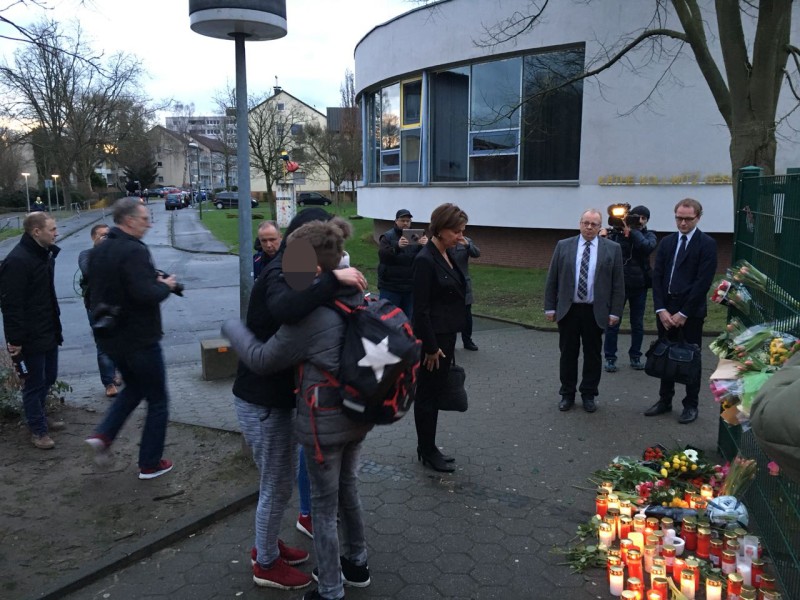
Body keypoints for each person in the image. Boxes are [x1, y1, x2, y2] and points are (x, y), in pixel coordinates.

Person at [224, 218, 373, 600]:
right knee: (338, 488)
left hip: (322, 422)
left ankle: (327, 588)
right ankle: (355, 563)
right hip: (355, 412)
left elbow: (261, 357)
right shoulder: (355, 293)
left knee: (315, 504)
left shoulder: (310, 310)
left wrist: (231, 329)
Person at [84, 197, 180, 479]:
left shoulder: (100, 250)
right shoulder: (133, 250)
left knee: (135, 388)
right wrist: (165, 286)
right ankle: (150, 464)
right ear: (128, 220)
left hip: (111, 337)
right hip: (139, 338)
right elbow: (144, 294)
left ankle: (102, 435)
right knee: (158, 400)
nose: (149, 224)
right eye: (144, 218)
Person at [544, 209, 625, 413]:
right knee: (568, 354)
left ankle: (589, 394)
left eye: (594, 224)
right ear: (580, 223)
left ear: (600, 227)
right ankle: (567, 394)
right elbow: (552, 278)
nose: (589, 227)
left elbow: (618, 283)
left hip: (595, 311)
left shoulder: (612, 249)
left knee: (593, 355)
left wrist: (615, 312)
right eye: (586, 223)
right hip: (569, 310)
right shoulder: (564, 246)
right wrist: (550, 307)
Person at [646, 198, 717, 424]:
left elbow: (702, 282)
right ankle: (665, 400)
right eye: (679, 218)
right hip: (666, 309)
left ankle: (691, 404)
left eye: (688, 219)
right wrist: (661, 309)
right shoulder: (666, 243)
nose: (683, 223)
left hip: (690, 312)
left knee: (691, 358)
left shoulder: (707, 244)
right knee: (665, 355)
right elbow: (657, 277)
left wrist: (684, 313)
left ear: (698, 217)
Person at [413, 203, 469, 472]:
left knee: (434, 393)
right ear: (440, 229)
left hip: (446, 336)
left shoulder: (447, 253)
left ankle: (429, 446)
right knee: (427, 395)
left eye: (462, 231)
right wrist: (431, 347)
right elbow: (420, 310)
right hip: (433, 341)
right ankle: (427, 450)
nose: (461, 236)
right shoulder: (425, 260)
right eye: (457, 231)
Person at [0, 212, 63, 449]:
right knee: (34, 383)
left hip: (48, 330)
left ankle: (39, 417)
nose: (56, 233)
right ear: (36, 231)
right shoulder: (18, 261)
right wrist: (15, 342)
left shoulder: (43, 256)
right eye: (52, 229)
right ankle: (38, 430)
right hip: (29, 337)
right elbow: (11, 306)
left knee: (49, 377)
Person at [601, 205, 657, 372]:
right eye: (636, 217)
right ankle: (610, 357)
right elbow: (606, 252)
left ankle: (636, 356)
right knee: (613, 323)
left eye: (642, 218)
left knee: (637, 323)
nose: (639, 220)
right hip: (619, 286)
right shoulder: (618, 234)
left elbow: (647, 247)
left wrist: (633, 232)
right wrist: (608, 236)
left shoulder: (649, 235)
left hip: (639, 285)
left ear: (646, 220)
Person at [78, 223, 120, 398]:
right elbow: (88, 271)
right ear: (93, 237)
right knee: (103, 345)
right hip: (96, 307)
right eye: (102, 235)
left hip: (117, 306)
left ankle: (115, 372)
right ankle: (108, 382)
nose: (106, 238)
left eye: (108, 235)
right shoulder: (86, 255)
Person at [377, 208, 428, 318]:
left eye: (408, 221)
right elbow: (382, 255)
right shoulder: (387, 236)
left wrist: (426, 247)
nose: (405, 223)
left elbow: (424, 259)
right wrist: (397, 246)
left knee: (408, 320)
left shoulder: (417, 236)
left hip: (410, 287)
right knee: (388, 319)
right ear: (396, 221)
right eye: (402, 220)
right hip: (390, 286)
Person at [452, 235, 481, 351]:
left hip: (464, 283)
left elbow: (476, 253)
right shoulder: (444, 240)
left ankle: (467, 340)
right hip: (448, 282)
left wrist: (467, 245)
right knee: (450, 315)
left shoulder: (466, 240)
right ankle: (450, 342)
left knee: (467, 315)